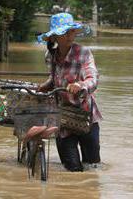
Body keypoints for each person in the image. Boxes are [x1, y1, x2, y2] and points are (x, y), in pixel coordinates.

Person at [37, 13, 102, 172]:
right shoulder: (50, 56)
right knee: (72, 169)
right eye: (63, 33)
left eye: (70, 31)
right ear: (54, 38)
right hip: (63, 118)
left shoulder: (83, 53)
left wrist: (81, 85)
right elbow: (54, 78)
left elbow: (93, 78)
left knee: (92, 166)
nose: (68, 35)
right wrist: (46, 85)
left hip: (85, 116)